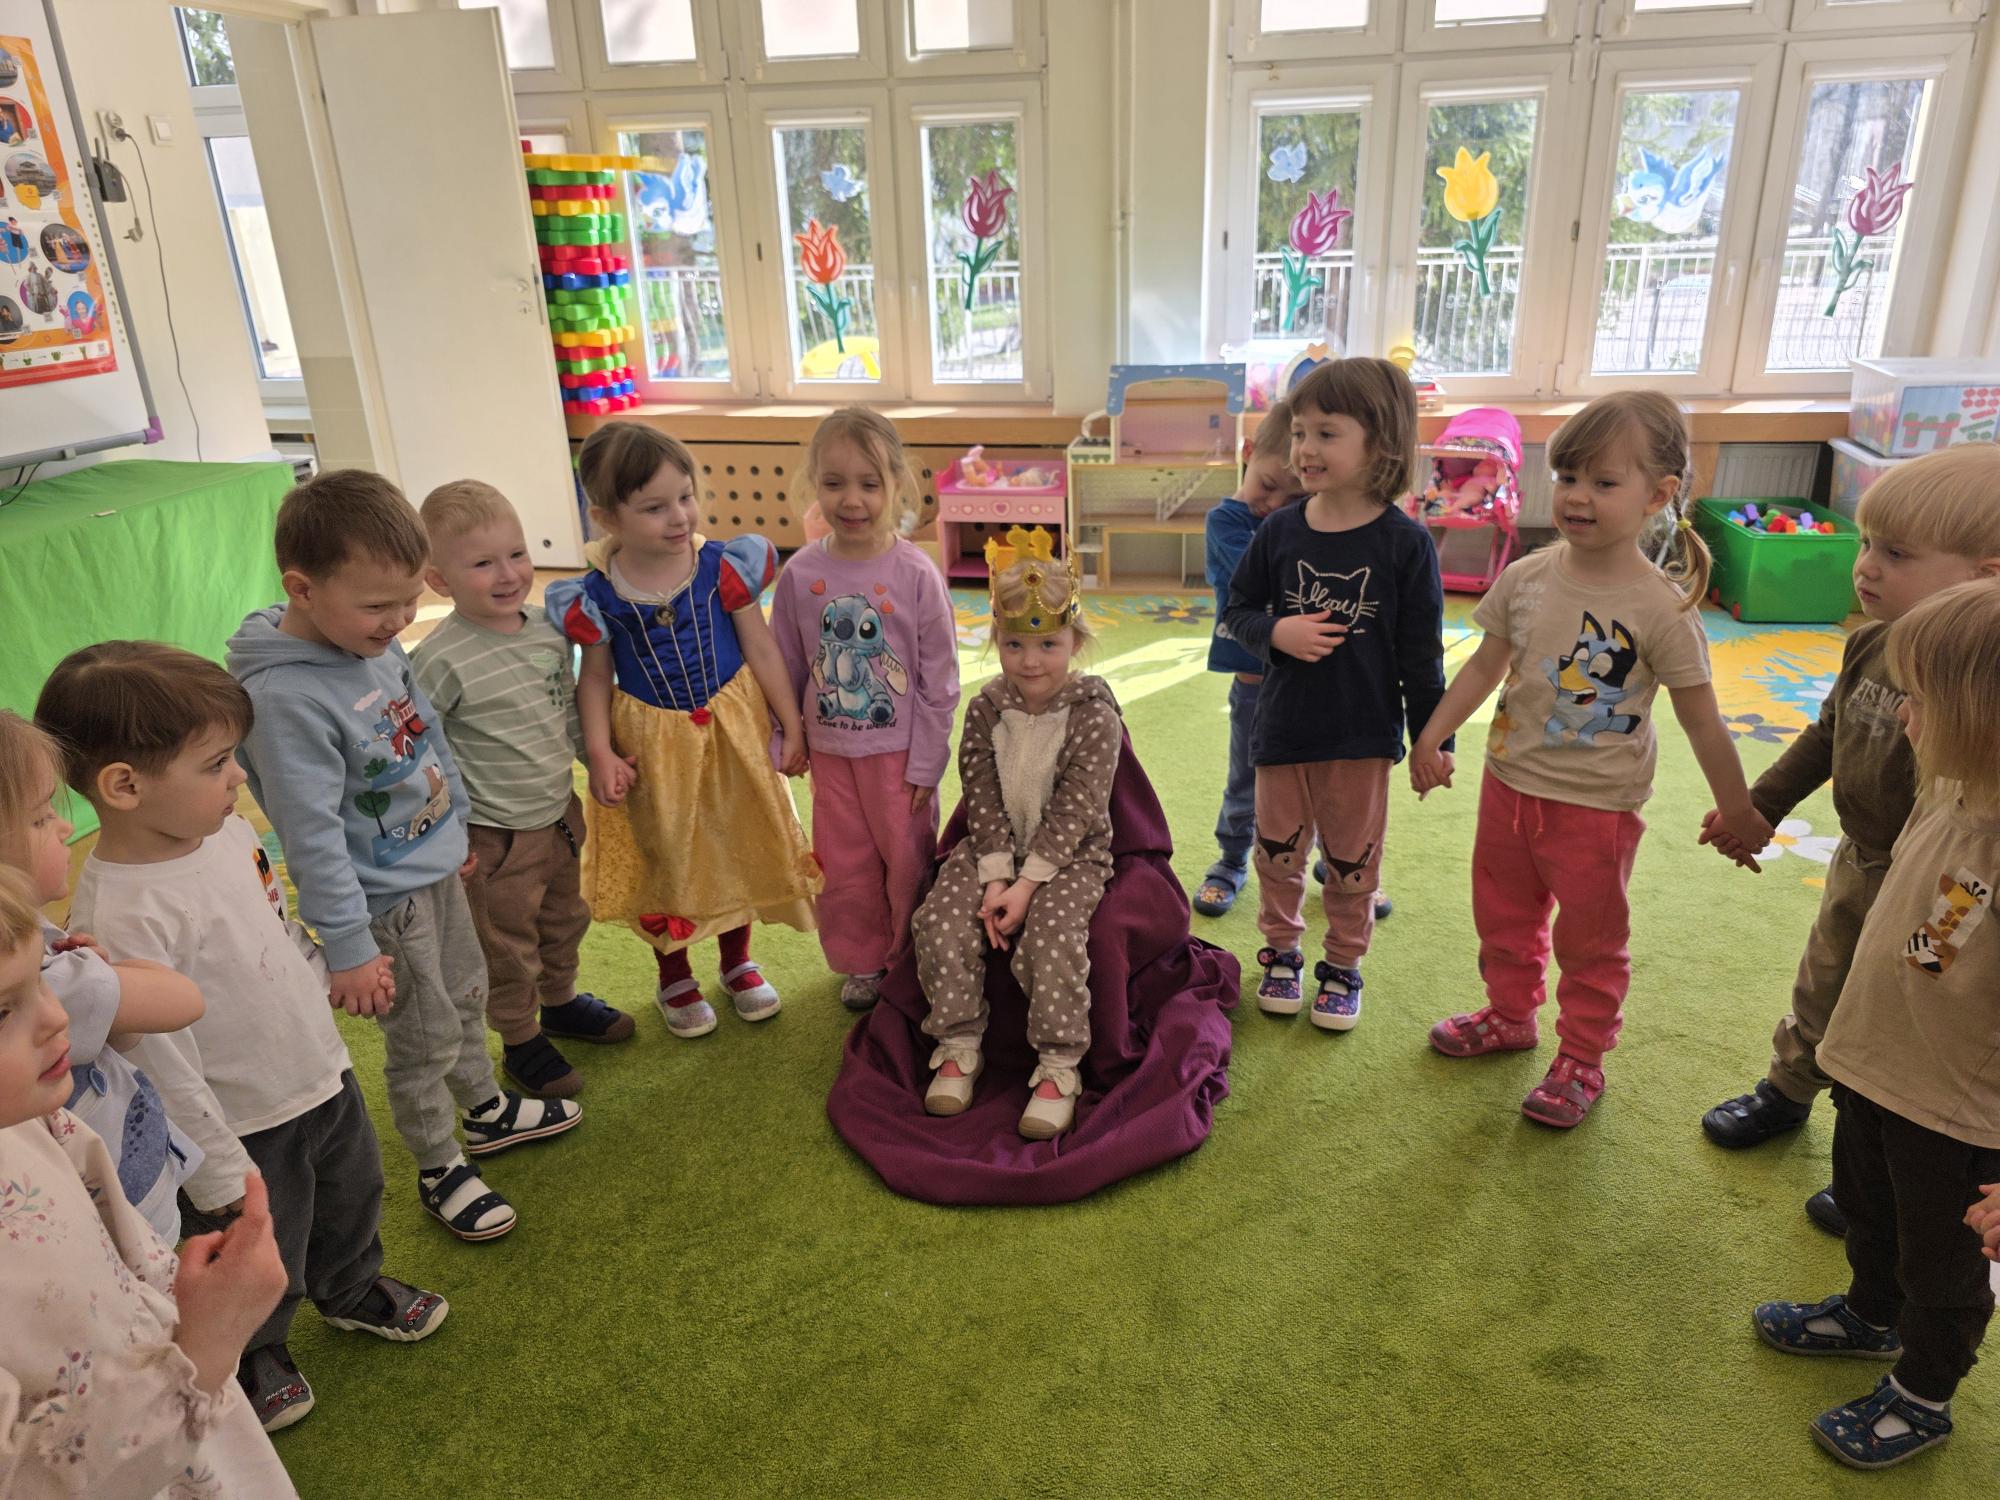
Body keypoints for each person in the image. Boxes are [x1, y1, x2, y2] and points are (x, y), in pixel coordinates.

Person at [42, 643, 448, 1434]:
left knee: (352, 1190)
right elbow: (160, 1064)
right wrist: (219, 1168)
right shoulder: (121, 913)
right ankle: (258, 1345)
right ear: (124, 786)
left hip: (316, 1070)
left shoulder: (227, 834)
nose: (238, 778)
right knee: (257, 1236)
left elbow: (272, 919)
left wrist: (318, 974)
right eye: (216, 763)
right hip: (238, 1119)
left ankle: (352, 1285)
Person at [228, 470, 581, 1243]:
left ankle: (484, 1109)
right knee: (422, 1036)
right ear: (303, 588)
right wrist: (349, 947)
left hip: (435, 864)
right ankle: (439, 1163)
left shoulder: (372, 644)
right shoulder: (285, 699)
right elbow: (310, 835)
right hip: (382, 903)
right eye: (377, 607)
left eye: (408, 601)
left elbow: (426, 733)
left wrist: (454, 822)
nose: (397, 622)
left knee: (465, 993)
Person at [1409, 390, 1773, 1127]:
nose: (1577, 496)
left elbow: (1703, 721)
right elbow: (1485, 667)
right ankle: (1510, 1015)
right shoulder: (1527, 577)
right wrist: (1434, 736)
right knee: (1502, 918)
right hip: (1508, 787)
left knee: (1592, 941)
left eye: (1604, 482)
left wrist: (1739, 808)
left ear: (1657, 496)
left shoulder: (1661, 608)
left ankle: (1581, 1056)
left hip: (1597, 810)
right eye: (1567, 476)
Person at [1700, 445, 2000, 1235]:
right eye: (1867, 544)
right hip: (1862, 861)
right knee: (1827, 979)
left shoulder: (1982, 685)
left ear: (1985, 578)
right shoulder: (1870, 641)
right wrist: (1760, 805)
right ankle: (1788, 1088)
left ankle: (1879, 1162)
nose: (1866, 566)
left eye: (1896, 554)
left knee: (1910, 1010)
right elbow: (1828, 733)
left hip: (1946, 890)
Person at [1751, 579, 2000, 1472]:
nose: (1899, 717)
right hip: (1870, 1063)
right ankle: (1870, 1314)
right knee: (1866, 1205)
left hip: (1955, 1111)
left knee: (1943, 1264)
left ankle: (1923, 1394)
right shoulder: (1949, 789)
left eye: (1920, 700)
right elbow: (1933, 932)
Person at [0, 864, 300, 1498]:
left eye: (41, 981)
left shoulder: (31, 1120)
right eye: (3, 1009)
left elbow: (123, 1244)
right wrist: (206, 1348)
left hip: (185, 1430)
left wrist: (191, 1303)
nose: (55, 1017)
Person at [550, 422, 820, 1039]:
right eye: (654, 507)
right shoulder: (597, 595)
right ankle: (674, 972)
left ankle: (737, 961)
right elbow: (593, 678)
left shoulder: (724, 567)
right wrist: (599, 752)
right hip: (652, 744)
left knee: (734, 837)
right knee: (666, 850)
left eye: (685, 497)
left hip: (731, 728)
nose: (678, 516)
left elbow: (761, 647)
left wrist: (792, 723)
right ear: (606, 518)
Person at [1221, 358, 1447, 1032]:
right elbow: (1237, 611)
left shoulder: (1405, 544)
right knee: (1278, 855)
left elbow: (1422, 656)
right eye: (1299, 433)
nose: (1304, 449)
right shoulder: (1279, 530)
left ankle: (1343, 965)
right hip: (1283, 730)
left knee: (1352, 863)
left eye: (1326, 433)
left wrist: (1434, 739)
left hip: (1362, 737)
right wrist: (1277, 632)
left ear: (1380, 443)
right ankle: (1281, 954)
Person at [412, 480, 635, 1100]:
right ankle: (519, 1035)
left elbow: (564, 708)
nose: (508, 574)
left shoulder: (547, 631)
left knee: (565, 916)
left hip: (558, 814)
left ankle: (559, 1001)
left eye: (516, 553)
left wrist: (596, 758)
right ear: (439, 580)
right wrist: (445, 829)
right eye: (483, 563)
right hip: (493, 833)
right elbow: (419, 750)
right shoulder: (439, 659)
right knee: (506, 942)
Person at [911, 526, 1120, 1141]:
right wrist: (997, 874)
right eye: (1014, 645)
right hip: (993, 848)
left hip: (1071, 856)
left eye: (1048, 644)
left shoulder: (1094, 715)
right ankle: (958, 1044)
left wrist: (1026, 888)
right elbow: (980, 796)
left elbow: (1077, 811)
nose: (1031, 662)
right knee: (939, 920)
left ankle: (1059, 1065)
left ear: (1075, 640)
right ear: (996, 640)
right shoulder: (985, 709)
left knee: (1052, 936)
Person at [770, 408, 960, 1011]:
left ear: (897, 485)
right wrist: (786, 735)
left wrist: (927, 761)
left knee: (906, 862)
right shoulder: (801, 573)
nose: (851, 499)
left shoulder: (916, 573)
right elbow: (784, 664)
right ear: (814, 485)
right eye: (834, 483)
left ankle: (911, 956)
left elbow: (938, 679)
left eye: (869, 483)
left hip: (900, 758)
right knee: (844, 865)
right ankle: (862, 960)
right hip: (831, 756)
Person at [0, 710, 205, 1244]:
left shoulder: (35, 935)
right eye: (41, 818)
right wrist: (98, 973)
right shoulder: (51, 976)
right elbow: (182, 1000)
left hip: (130, 1178)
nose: (65, 827)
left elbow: (120, 1036)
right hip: (119, 1216)